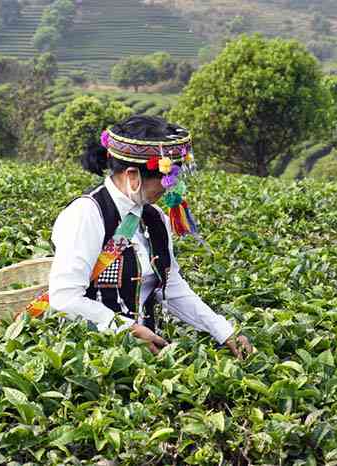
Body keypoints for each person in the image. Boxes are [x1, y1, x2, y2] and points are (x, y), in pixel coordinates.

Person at [48, 115, 253, 358]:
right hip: (91, 355)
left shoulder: (154, 217)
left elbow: (172, 287)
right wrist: (126, 329)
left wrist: (224, 331)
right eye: (165, 178)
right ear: (133, 175)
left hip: (147, 352)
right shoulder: (86, 215)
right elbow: (64, 298)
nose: (170, 186)